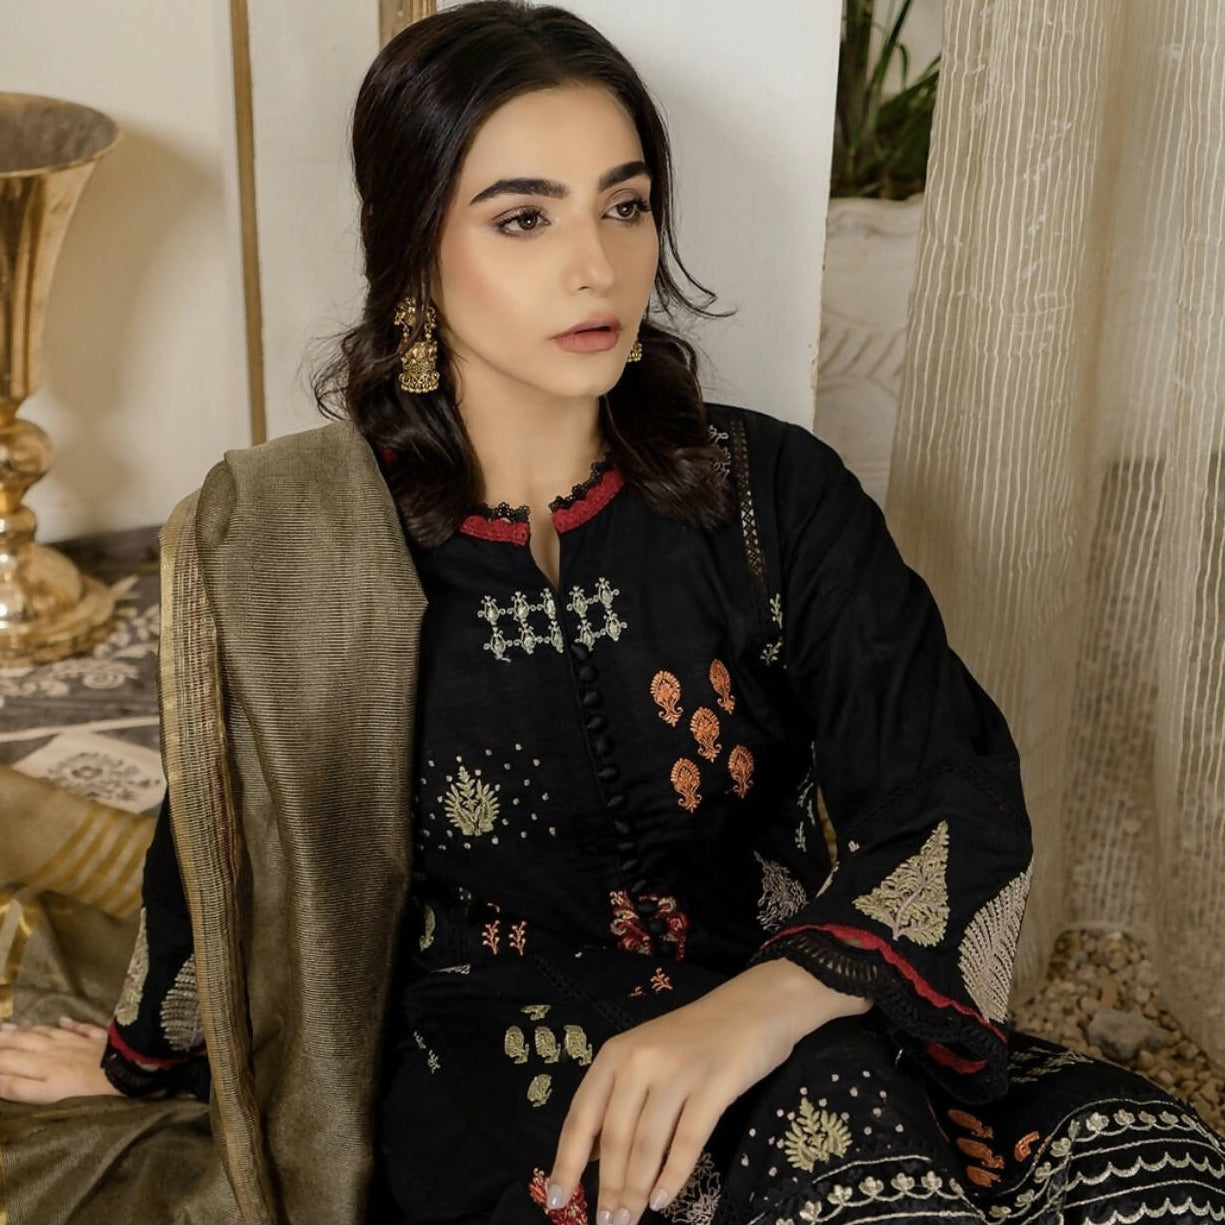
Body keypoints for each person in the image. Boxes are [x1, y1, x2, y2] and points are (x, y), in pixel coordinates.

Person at [2, 3, 1223, 1222]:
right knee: (846, 1173)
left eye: (624, 205)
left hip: (778, 1004)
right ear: (414, 250)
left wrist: (768, 1003)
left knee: (1155, 1167)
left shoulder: (769, 493)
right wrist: (139, 1059)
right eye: (523, 218)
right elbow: (223, 840)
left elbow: (947, 787)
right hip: (490, 1071)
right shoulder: (301, 542)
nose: (596, 266)